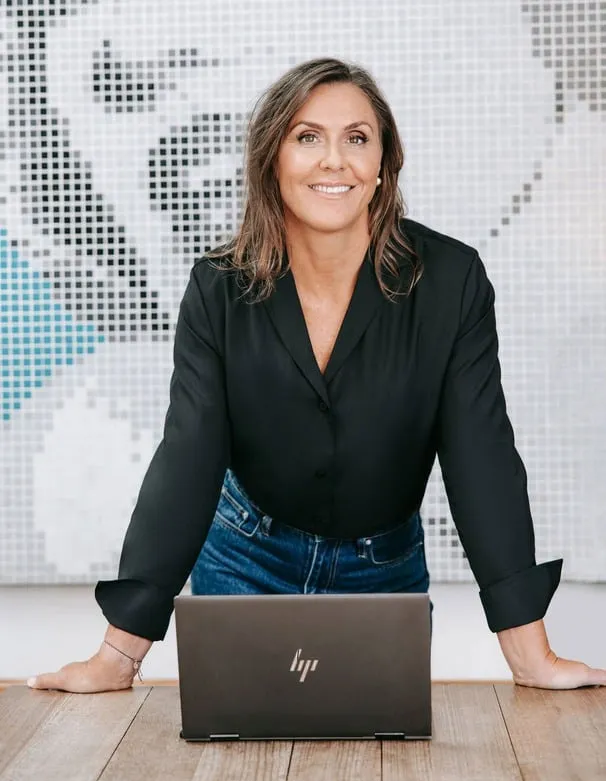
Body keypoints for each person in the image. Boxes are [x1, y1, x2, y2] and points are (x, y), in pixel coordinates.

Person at [28, 57, 606, 694]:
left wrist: (529, 653)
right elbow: (188, 459)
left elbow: (482, 456)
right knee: (238, 762)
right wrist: (119, 656)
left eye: (357, 139)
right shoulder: (218, 289)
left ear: (383, 166)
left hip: (383, 568)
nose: (335, 160)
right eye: (307, 138)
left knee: (383, 764)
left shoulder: (452, 281)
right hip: (245, 559)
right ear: (272, 161)